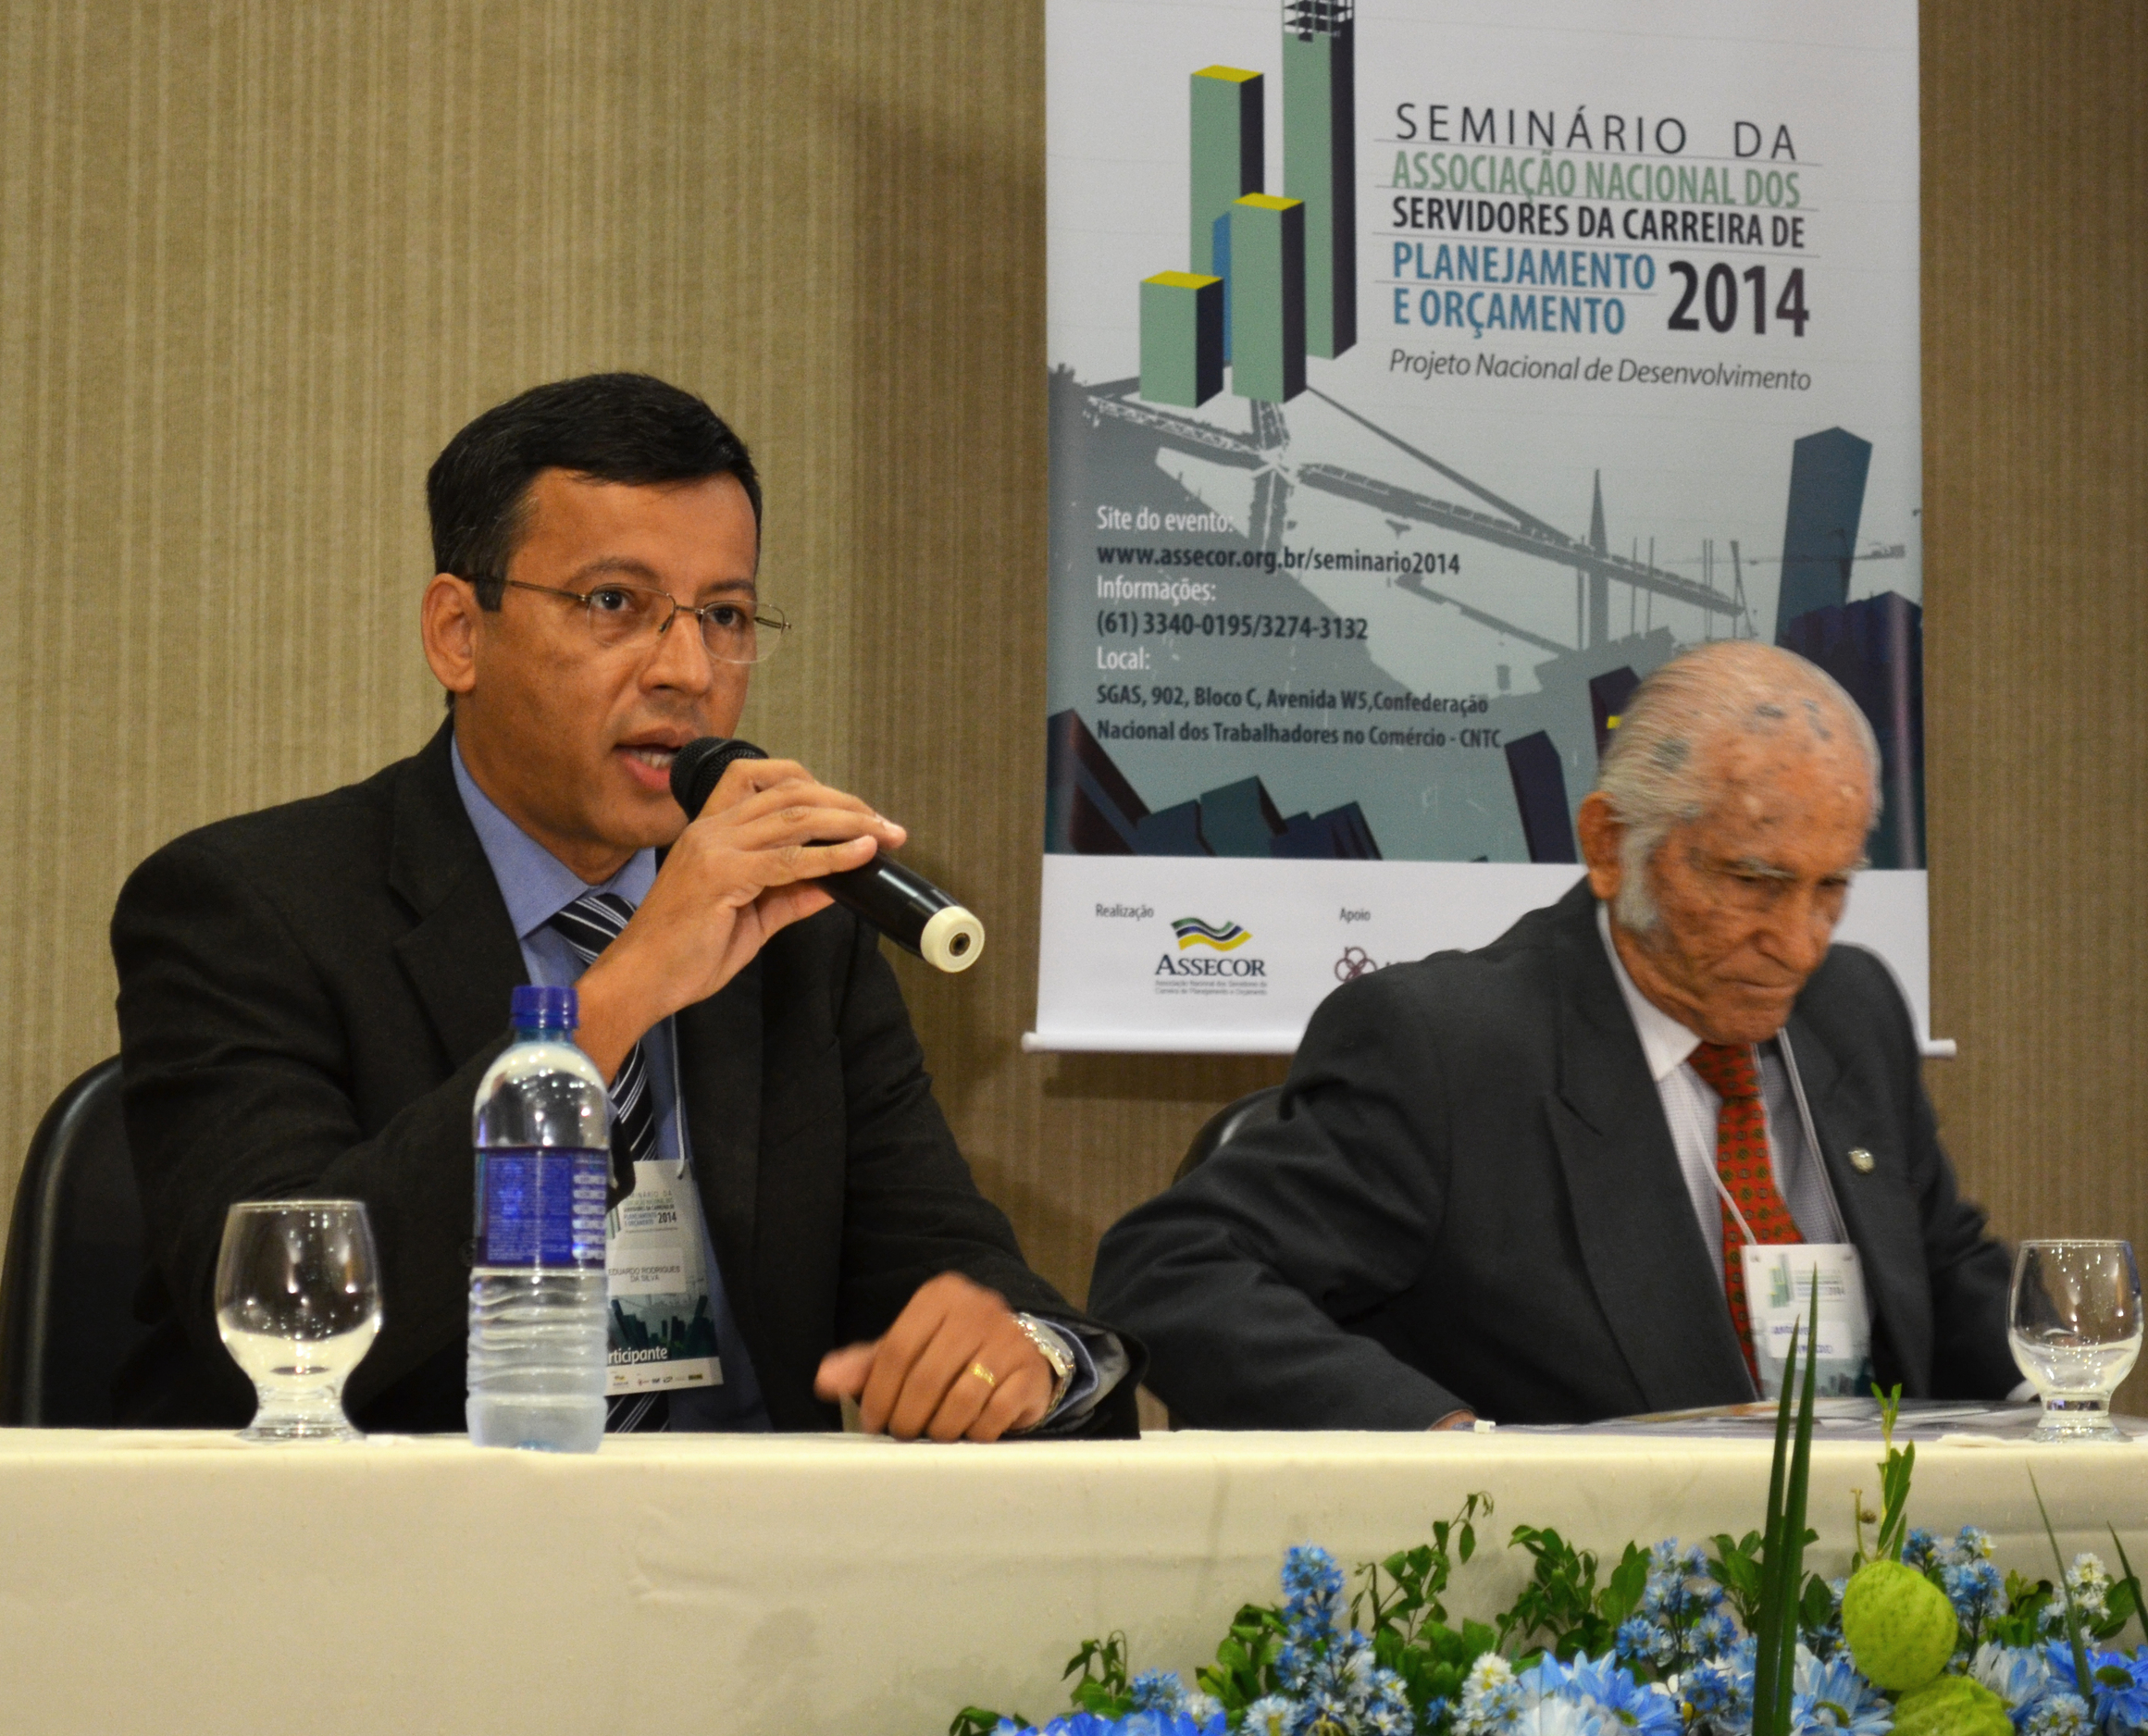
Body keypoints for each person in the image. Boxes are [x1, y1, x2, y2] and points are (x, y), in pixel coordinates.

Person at [113, 372, 1136, 1439]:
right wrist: (624, 993)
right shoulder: (247, 907)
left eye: (725, 616)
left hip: (743, 1571)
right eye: (615, 604)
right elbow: (290, 1327)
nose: (688, 672)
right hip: (406, 1566)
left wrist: (1027, 1354)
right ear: (458, 632)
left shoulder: (804, 939)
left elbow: (952, 1273)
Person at [1089, 640, 2019, 1428]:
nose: (1797, 943)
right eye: (1754, 883)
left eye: (1831, 888)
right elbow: (1172, 1273)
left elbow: (1938, 1267)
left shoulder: (1851, 1009)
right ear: (1611, 845)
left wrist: (2058, 1384)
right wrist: (1450, 1448)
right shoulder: (1448, 1049)